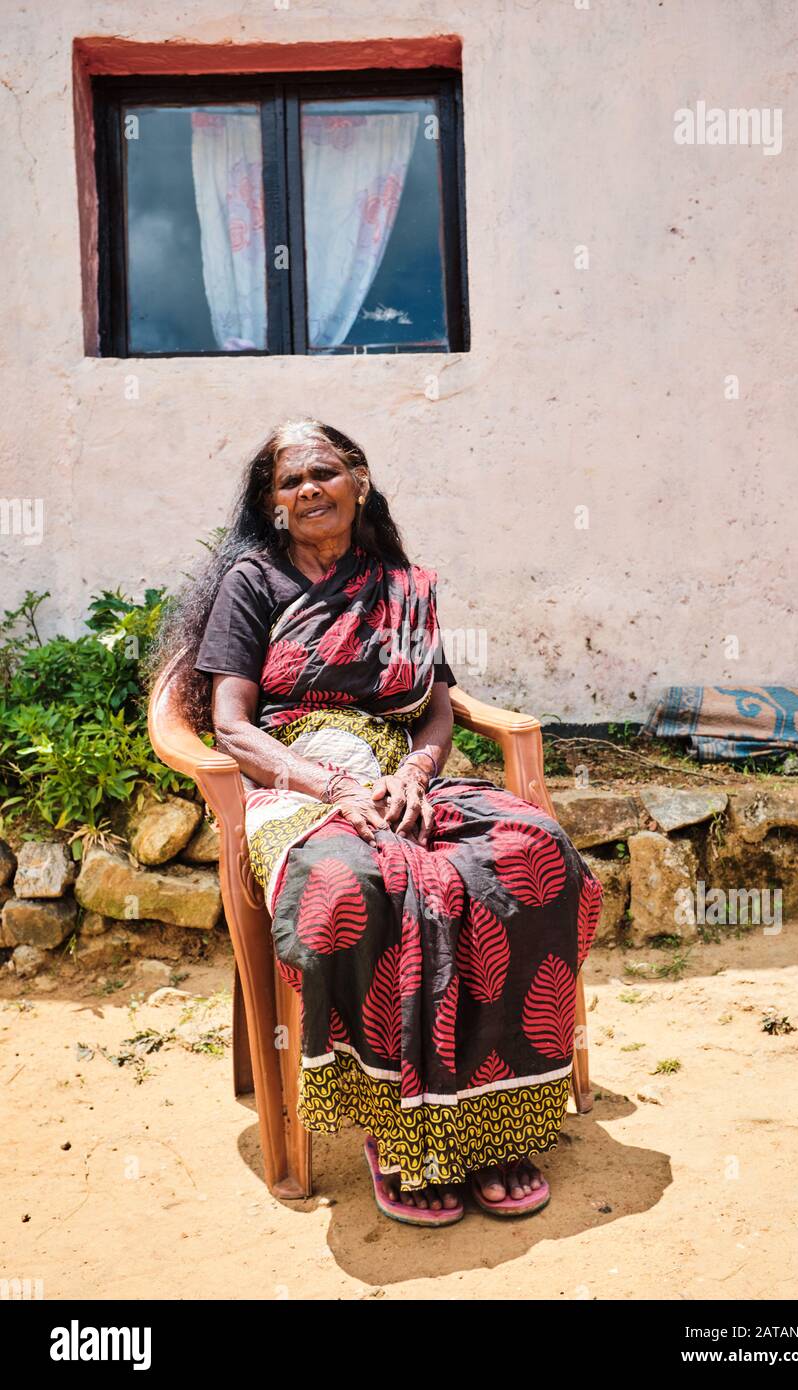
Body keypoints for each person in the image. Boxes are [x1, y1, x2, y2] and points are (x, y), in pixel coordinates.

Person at [149, 416, 603, 1227]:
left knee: (529, 857)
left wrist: (415, 774)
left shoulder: (401, 585)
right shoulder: (253, 583)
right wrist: (333, 788)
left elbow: (434, 712)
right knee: (351, 886)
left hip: (400, 775)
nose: (308, 490)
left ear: (359, 480)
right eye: (289, 483)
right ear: (273, 506)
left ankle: (495, 1121)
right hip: (293, 779)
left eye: (323, 473)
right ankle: (397, 1127)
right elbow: (231, 724)